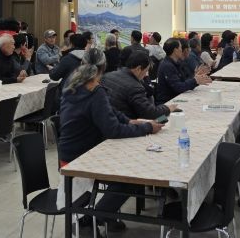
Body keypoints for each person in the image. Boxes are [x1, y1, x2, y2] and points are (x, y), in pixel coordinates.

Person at [58, 48, 163, 231]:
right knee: (131, 177)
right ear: (104, 67)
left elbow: (109, 110)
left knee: (127, 171)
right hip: (83, 156)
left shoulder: (73, 83)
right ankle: (93, 219)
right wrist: (146, 128)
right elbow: (112, 130)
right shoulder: (95, 90)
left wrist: (129, 121)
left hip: (68, 152)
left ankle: (106, 216)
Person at [102, 51, 177, 120]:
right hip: (128, 123)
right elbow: (149, 113)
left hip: (108, 120)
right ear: (138, 69)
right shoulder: (135, 87)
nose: (146, 75)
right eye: (146, 71)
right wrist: (168, 108)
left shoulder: (107, 76)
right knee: (163, 119)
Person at [155, 38, 211, 104]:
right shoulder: (167, 66)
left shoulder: (177, 63)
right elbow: (178, 87)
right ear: (175, 50)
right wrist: (195, 80)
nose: (182, 50)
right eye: (180, 47)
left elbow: (184, 81)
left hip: (177, 97)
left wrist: (195, 76)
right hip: (168, 102)